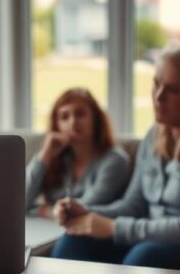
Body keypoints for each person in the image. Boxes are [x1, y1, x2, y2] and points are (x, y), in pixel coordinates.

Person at [50, 44, 180, 273]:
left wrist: (113, 227)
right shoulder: (155, 134)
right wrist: (85, 211)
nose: (158, 96)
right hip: (149, 240)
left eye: (173, 90)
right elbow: (134, 204)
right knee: (72, 241)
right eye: (156, 84)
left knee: (145, 256)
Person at [25, 88, 128, 218]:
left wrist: (44, 211)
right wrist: (45, 155)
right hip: (47, 229)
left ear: (95, 119)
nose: (73, 122)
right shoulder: (56, 158)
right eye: (64, 117)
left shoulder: (115, 160)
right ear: (57, 125)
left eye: (80, 114)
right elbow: (19, 202)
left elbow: (83, 209)